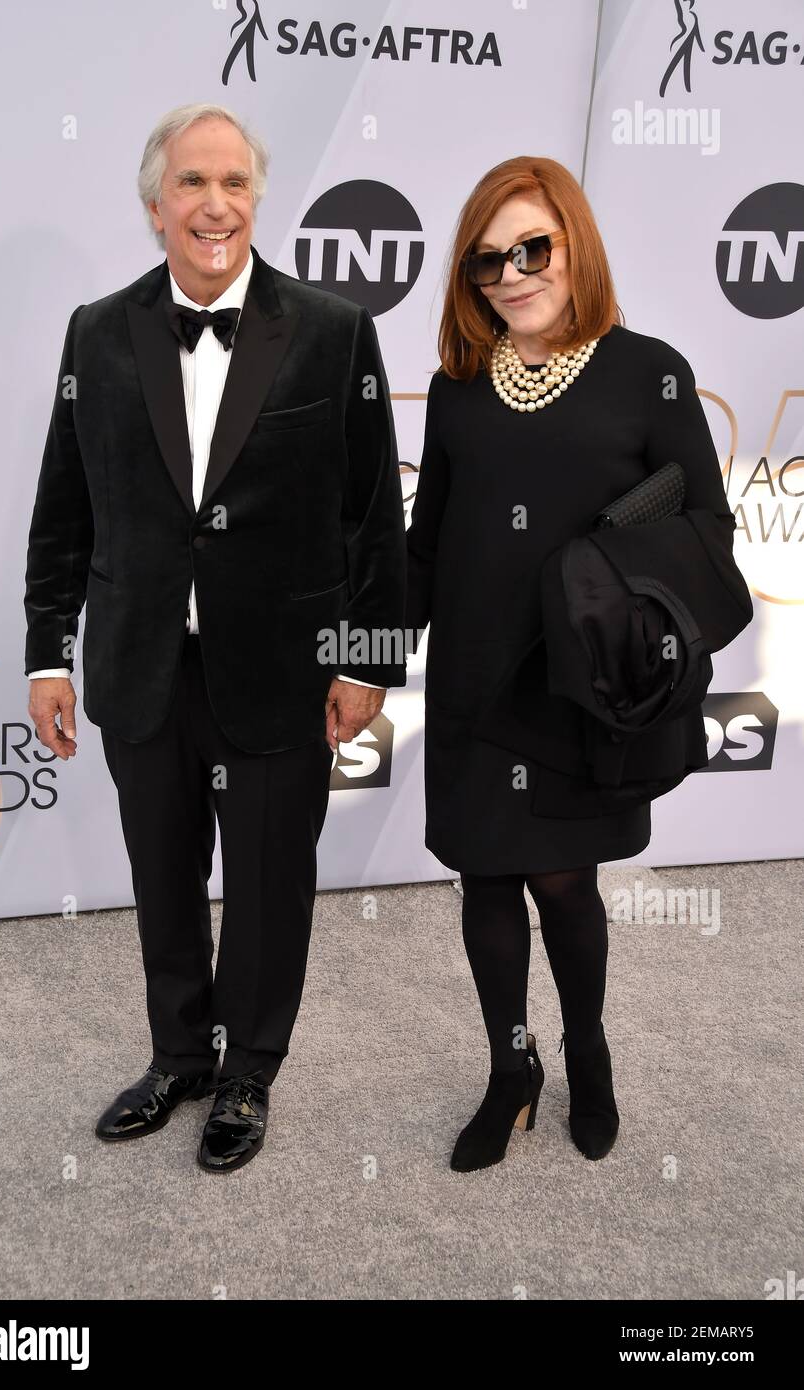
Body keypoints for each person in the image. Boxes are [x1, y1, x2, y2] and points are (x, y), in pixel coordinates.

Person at [24, 103, 406, 1173]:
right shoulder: (97, 331)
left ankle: (249, 1073)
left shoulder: (331, 329)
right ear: (156, 206)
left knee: (271, 875)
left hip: (282, 664)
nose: (215, 204)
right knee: (162, 870)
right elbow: (67, 503)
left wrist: (366, 658)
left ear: (256, 199)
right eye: (193, 183)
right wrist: (47, 649)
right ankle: (180, 1054)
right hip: (143, 660)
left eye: (234, 183)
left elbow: (371, 509)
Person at [406, 156, 738, 1170]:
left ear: (573, 245)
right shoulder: (460, 389)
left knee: (561, 886)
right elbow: (427, 540)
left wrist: (602, 570)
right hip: (471, 680)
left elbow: (708, 532)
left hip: (578, 686)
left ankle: (586, 1053)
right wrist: (366, 659)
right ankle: (512, 1070)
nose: (509, 273)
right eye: (485, 261)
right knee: (482, 882)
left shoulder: (650, 372)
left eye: (530, 248)